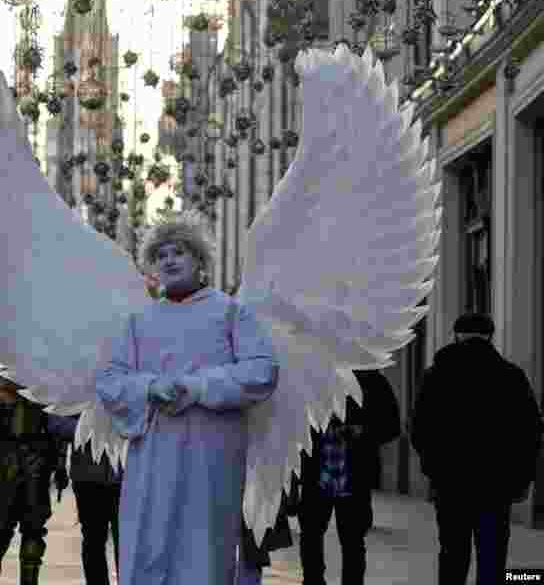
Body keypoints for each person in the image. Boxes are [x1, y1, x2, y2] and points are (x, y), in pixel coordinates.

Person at [96, 226, 279, 585]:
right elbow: (111, 382)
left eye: (178, 252)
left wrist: (197, 387)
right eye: (161, 255)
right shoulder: (139, 321)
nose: (169, 260)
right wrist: (150, 387)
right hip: (152, 457)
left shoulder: (231, 313)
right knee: (148, 546)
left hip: (210, 455)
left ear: (199, 259)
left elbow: (262, 371)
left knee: (203, 548)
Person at [412, 312, 543, 585]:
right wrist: (522, 479)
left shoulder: (436, 375)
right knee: (492, 557)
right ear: (490, 336)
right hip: (496, 486)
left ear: (457, 334)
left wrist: (434, 469)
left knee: (452, 554)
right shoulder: (511, 376)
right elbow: (530, 432)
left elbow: (419, 429)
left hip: (451, 483)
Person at [296, 367, 400, 585]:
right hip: (318, 469)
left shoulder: (370, 379)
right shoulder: (311, 375)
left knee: (350, 540)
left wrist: (362, 432)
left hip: (351, 472)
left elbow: (391, 426)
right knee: (314, 535)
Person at [0, 366, 70, 585]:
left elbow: (54, 426)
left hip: (25, 463)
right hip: (17, 462)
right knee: (10, 530)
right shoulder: (39, 381)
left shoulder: (41, 382)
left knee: (23, 530)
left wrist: (59, 463)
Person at [46, 413, 122, 585]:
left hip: (124, 477)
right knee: (93, 541)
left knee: (126, 542)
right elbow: (57, 421)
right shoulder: (80, 387)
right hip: (88, 477)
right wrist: (89, 429)